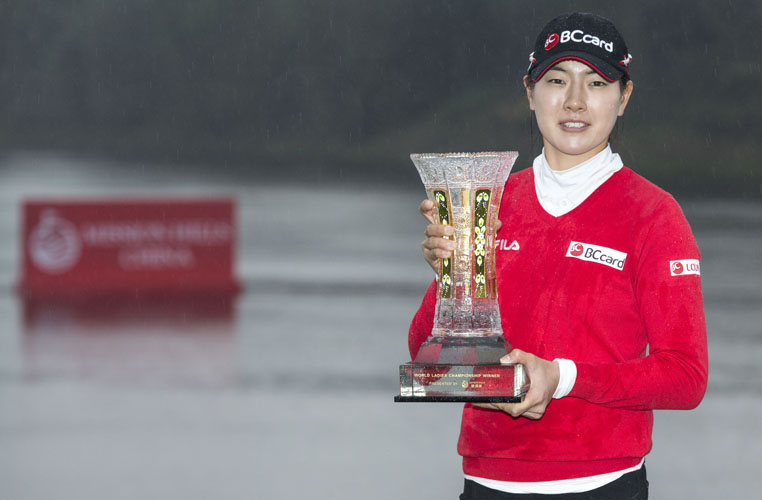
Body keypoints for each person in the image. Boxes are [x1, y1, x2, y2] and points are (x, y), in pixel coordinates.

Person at [410, 12, 708, 499]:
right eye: (555, 80)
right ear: (530, 94)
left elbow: (686, 377)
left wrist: (562, 377)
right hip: (484, 481)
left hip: (601, 484)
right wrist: (451, 278)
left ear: (624, 97)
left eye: (596, 82)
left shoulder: (654, 215)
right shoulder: (486, 203)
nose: (574, 101)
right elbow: (427, 358)